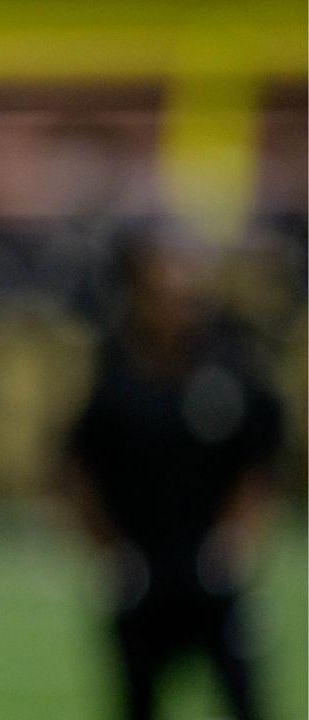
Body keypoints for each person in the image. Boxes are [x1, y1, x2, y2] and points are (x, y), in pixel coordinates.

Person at [64, 230, 282, 720]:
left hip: (211, 572)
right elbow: (76, 466)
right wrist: (107, 551)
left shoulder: (229, 365)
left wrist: (235, 541)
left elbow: (258, 462)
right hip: (142, 571)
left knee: (244, 695)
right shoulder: (114, 372)